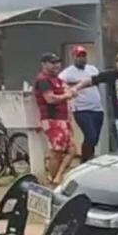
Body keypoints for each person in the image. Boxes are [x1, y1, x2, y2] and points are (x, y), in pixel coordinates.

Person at [34, 53, 76, 185]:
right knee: (56, 152)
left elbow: (68, 90)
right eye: (52, 63)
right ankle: (54, 180)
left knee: (71, 149)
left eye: (57, 62)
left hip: (63, 119)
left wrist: (70, 92)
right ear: (44, 64)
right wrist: (67, 95)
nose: (56, 65)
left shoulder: (57, 79)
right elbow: (50, 98)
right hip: (52, 119)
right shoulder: (43, 79)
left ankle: (58, 176)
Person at [58, 45, 104, 163]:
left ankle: (91, 160)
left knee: (95, 138)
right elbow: (59, 85)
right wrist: (73, 88)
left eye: (83, 56)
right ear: (73, 57)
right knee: (90, 135)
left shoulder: (92, 69)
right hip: (81, 109)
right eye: (78, 56)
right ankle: (85, 161)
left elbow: (97, 82)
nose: (82, 59)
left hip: (97, 108)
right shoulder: (67, 73)